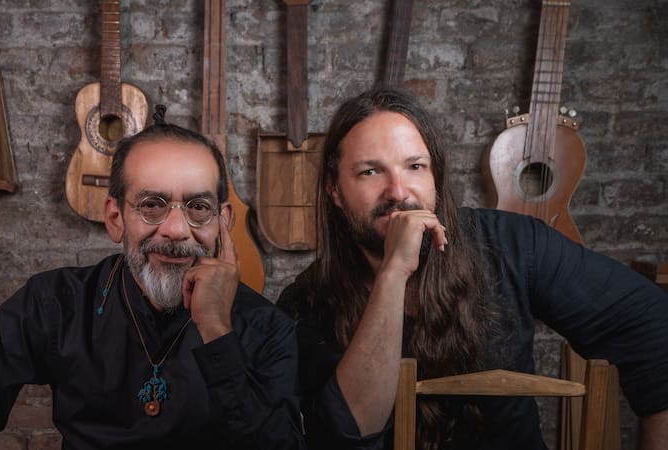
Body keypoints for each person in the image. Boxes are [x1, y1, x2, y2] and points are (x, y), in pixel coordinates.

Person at [277, 87, 668, 450]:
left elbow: (652, 325)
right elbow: (347, 431)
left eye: (415, 166)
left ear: (436, 174)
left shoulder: (511, 244)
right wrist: (393, 273)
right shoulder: (305, 303)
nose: (398, 191)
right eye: (370, 171)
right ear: (335, 191)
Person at [0, 106, 305, 449]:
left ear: (223, 220)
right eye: (152, 204)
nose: (176, 230)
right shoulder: (56, 304)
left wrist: (217, 331)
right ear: (115, 217)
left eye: (198, 207)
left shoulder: (268, 329)